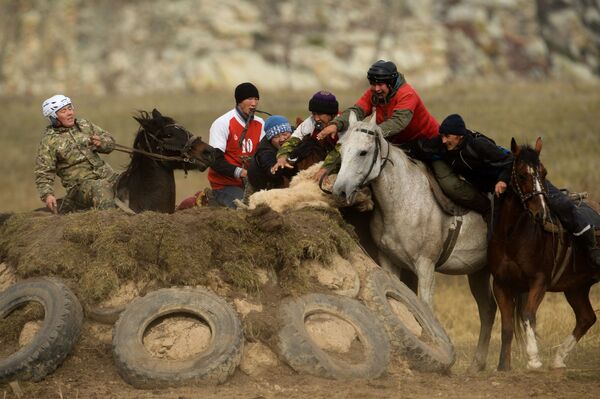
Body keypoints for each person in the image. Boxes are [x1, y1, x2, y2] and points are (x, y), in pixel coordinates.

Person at [409, 113, 600, 268]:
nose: (442, 140)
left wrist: (501, 180)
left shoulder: (479, 145)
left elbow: (511, 160)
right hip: (496, 191)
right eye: (441, 136)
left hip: (519, 178)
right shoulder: (443, 146)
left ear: (459, 136)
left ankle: (591, 247)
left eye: (446, 137)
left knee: (562, 204)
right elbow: (421, 147)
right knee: (496, 227)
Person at [315, 60, 439, 180]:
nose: (376, 88)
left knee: (447, 185)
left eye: (380, 84)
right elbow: (357, 111)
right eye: (373, 84)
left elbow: (398, 122)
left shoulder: (407, 94)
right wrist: (336, 124)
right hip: (399, 144)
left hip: (427, 142)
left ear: (391, 83)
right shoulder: (373, 93)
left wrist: (369, 134)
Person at [34, 94, 118, 213]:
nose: (70, 113)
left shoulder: (85, 125)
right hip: (79, 188)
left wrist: (102, 143)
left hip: (109, 176)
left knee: (132, 179)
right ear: (53, 117)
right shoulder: (49, 142)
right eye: (63, 111)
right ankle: (111, 226)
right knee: (101, 188)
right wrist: (47, 195)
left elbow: (111, 144)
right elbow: (43, 173)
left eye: (70, 108)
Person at [207, 82, 265, 208]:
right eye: (249, 99)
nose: (254, 103)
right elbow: (214, 160)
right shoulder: (222, 123)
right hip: (225, 185)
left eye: (256, 99)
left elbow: (264, 154)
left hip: (252, 182)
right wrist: (241, 172)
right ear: (239, 101)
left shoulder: (260, 123)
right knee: (247, 209)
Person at [271, 90, 339, 173]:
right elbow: (293, 140)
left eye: (320, 114)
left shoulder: (346, 126)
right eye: (314, 114)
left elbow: (340, 153)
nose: (316, 118)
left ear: (332, 115)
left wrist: (325, 168)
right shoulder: (310, 122)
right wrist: (282, 157)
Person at [247, 115, 294, 193]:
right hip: (267, 187)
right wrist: (281, 164)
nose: (282, 139)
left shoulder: (297, 135)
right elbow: (273, 174)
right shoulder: (265, 152)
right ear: (270, 139)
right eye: (276, 136)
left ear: (290, 132)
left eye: (285, 134)